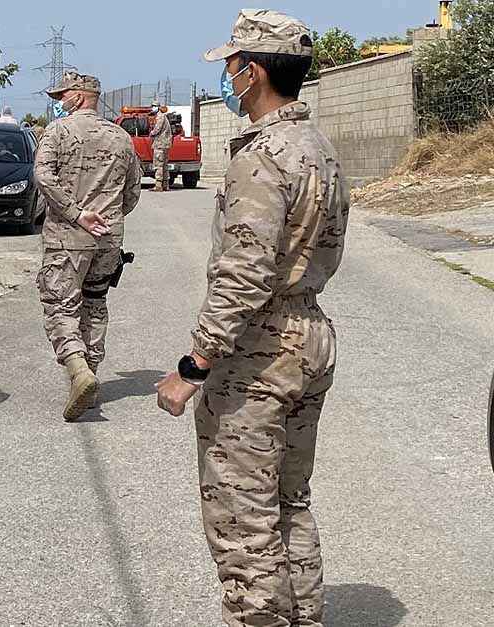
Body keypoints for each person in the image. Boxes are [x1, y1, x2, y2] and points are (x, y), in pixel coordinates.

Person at [155, 10, 349, 626]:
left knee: (243, 521)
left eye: (231, 66)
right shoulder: (319, 148)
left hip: (262, 349)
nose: (227, 78)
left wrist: (195, 363)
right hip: (310, 334)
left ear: (254, 72)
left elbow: (244, 273)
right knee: (289, 503)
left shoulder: (263, 155)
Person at [35, 71, 141, 422]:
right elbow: (133, 191)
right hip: (109, 238)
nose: (58, 102)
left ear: (78, 96)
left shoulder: (59, 131)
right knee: (95, 302)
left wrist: (77, 214)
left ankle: (79, 370)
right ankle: (92, 372)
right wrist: (107, 217)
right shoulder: (121, 137)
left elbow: (43, 176)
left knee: (61, 306)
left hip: (68, 237)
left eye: (62, 95)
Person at [149, 100, 173, 192]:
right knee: (164, 165)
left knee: (158, 165)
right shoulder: (163, 117)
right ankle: (165, 184)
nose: (152, 108)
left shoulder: (160, 117)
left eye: (153, 106)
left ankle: (159, 185)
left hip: (160, 144)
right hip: (165, 144)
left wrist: (151, 133)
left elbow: (157, 129)